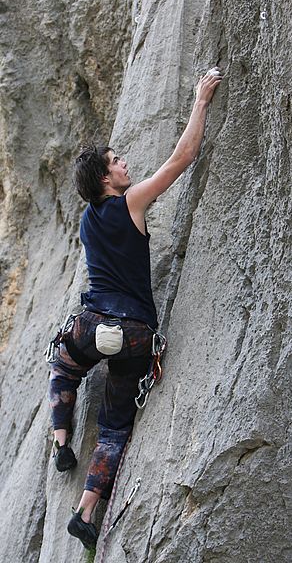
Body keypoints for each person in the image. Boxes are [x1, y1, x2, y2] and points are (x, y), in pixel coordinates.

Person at [47, 67, 223, 550]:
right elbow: (181, 159)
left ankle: (61, 443)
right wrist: (201, 100)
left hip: (90, 325)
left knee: (63, 370)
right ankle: (86, 512)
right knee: (113, 426)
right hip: (134, 334)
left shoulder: (87, 222)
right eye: (118, 161)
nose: (126, 164)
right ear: (107, 179)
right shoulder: (131, 203)